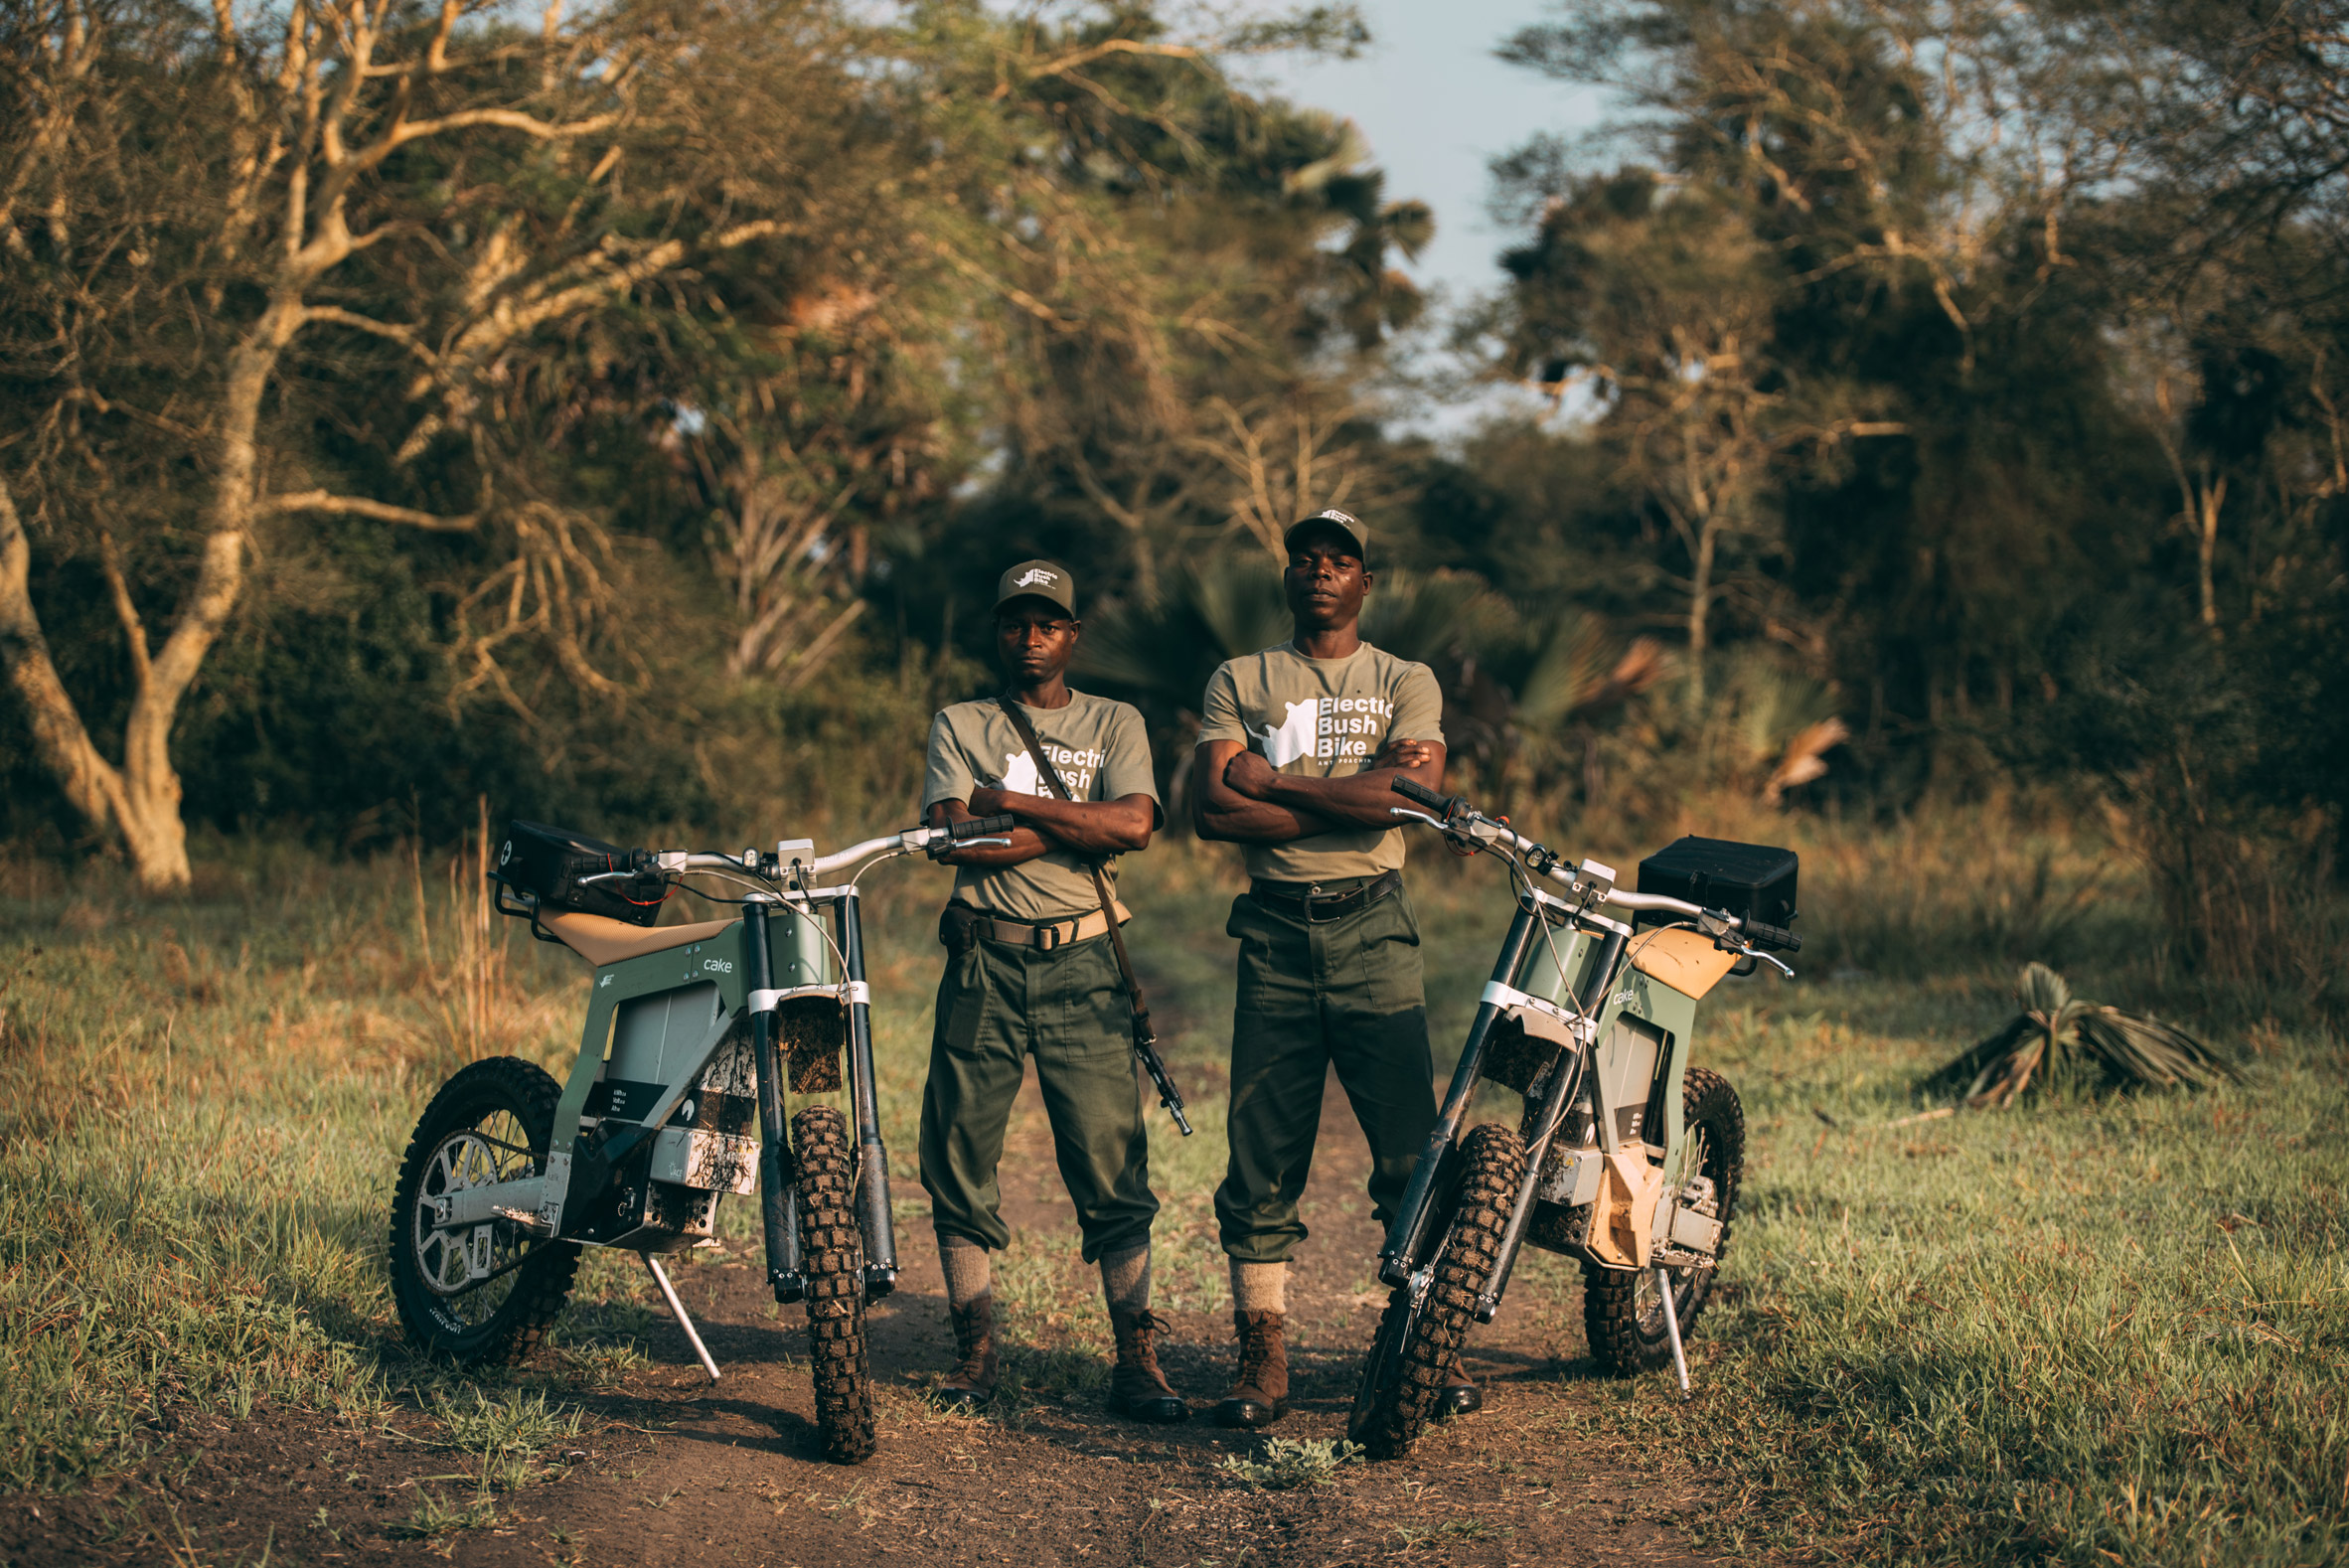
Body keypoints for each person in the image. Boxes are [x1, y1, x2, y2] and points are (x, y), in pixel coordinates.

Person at [1189, 509, 1479, 1429]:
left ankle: (1428, 1341)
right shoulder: (1241, 677)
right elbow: (1211, 811)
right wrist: (1358, 800)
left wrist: (1272, 783)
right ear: (1288, 578)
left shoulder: (1404, 678)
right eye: (1305, 559)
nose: (1320, 570)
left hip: (1374, 931)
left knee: (1410, 1151)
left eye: (1339, 560)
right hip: (1272, 936)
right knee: (1262, 1154)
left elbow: (1409, 798)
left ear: (1365, 580)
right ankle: (1261, 1355)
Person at [917, 558, 1185, 1424]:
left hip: (1085, 961)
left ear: (1073, 634)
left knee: (1110, 1158)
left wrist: (1007, 807)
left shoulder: (1117, 720)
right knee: (958, 1151)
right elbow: (951, 841)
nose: (1030, 638)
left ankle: (1137, 1360)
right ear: (998, 632)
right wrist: (1074, 828)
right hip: (983, 958)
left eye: (1048, 624)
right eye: (1015, 623)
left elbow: (1136, 824)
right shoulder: (958, 721)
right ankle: (975, 1351)